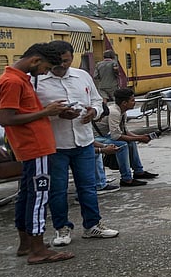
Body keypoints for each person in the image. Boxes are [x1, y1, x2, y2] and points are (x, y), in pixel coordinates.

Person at [0, 42, 74, 264]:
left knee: (27, 196)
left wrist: (51, 112)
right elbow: (6, 118)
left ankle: (26, 244)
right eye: (46, 68)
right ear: (36, 60)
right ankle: (38, 250)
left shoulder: (20, 79)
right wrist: (46, 112)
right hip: (34, 146)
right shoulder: (12, 82)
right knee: (39, 197)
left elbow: (24, 112)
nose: (46, 72)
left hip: (34, 146)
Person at [35, 40, 120, 247]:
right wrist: (56, 115)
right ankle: (61, 227)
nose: (62, 65)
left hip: (83, 140)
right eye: (58, 61)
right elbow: (33, 113)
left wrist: (94, 112)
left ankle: (92, 225)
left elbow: (97, 101)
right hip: (56, 144)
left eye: (66, 60)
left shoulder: (82, 76)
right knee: (58, 189)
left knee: (88, 187)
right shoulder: (38, 82)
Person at [95, 88, 159, 187]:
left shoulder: (122, 111)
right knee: (122, 145)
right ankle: (126, 179)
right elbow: (116, 136)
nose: (134, 102)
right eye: (132, 100)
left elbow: (125, 132)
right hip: (95, 138)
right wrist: (139, 138)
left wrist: (141, 137)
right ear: (124, 103)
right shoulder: (114, 112)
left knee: (131, 142)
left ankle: (139, 172)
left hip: (104, 136)